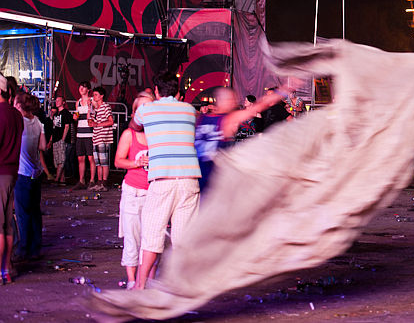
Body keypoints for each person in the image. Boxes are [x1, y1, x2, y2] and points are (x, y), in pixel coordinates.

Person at [132, 72, 201, 289]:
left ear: (156, 91)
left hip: (163, 178)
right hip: (190, 179)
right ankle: (181, 286)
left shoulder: (147, 109)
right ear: (179, 92)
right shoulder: (190, 110)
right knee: (183, 239)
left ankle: (140, 284)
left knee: (152, 235)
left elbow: (135, 127)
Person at [196, 87, 289, 192]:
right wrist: (285, 89)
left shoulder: (201, 118)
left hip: (198, 174)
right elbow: (260, 106)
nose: (234, 103)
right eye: (232, 100)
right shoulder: (226, 119)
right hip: (214, 178)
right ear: (224, 101)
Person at [113, 92, 154, 289]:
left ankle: (146, 282)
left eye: (151, 107)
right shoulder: (129, 134)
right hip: (132, 193)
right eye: (142, 108)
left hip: (154, 194)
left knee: (152, 241)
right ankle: (132, 281)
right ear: (135, 112)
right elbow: (118, 161)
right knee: (132, 239)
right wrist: (136, 163)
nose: (147, 112)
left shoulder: (159, 135)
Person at [13, 92, 48, 263]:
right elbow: (42, 146)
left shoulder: (20, 123)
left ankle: (23, 249)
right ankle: (36, 247)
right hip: (36, 172)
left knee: (22, 213)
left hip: (23, 173)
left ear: (19, 106)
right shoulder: (38, 122)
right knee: (35, 212)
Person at [0, 74, 22, 283]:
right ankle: (6, 268)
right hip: (12, 172)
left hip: (0, 172)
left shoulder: (1, 113)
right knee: (7, 224)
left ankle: (1, 270)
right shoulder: (16, 115)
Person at [89, 86, 114, 191]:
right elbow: (91, 121)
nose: (94, 97)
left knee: (104, 162)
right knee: (98, 162)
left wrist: (98, 124)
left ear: (101, 96)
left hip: (103, 137)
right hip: (96, 137)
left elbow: (111, 121)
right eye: (93, 94)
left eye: (96, 95)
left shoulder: (105, 106)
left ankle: (104, 182)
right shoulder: (95, 108)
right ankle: (99, 182)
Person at [72, 81, 96, 191]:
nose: (81, 89)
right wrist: (75, 116)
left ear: (88, 89)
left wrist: (90, 109)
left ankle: (91, 180)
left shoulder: (92, 101)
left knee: (91, 157)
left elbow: (94, 114)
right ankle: (81, 180)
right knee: (80, 157)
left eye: (84, 87)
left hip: (90, 132)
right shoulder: (78, 102)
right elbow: (76, 115)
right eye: (80, 87)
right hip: (80, 133)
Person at [50, 95, 72, 185]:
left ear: (63, 102)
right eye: (56, 100)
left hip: (61, 139)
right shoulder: (56, 114)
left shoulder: (65, 113)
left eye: (59, 100)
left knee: (61, 159)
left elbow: (67, 126)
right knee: (57, 160)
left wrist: (63, 139)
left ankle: (57, 179)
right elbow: (54, 128)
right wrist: (51, 140)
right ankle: (62, 179)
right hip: (55, 139)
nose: (57, 101)